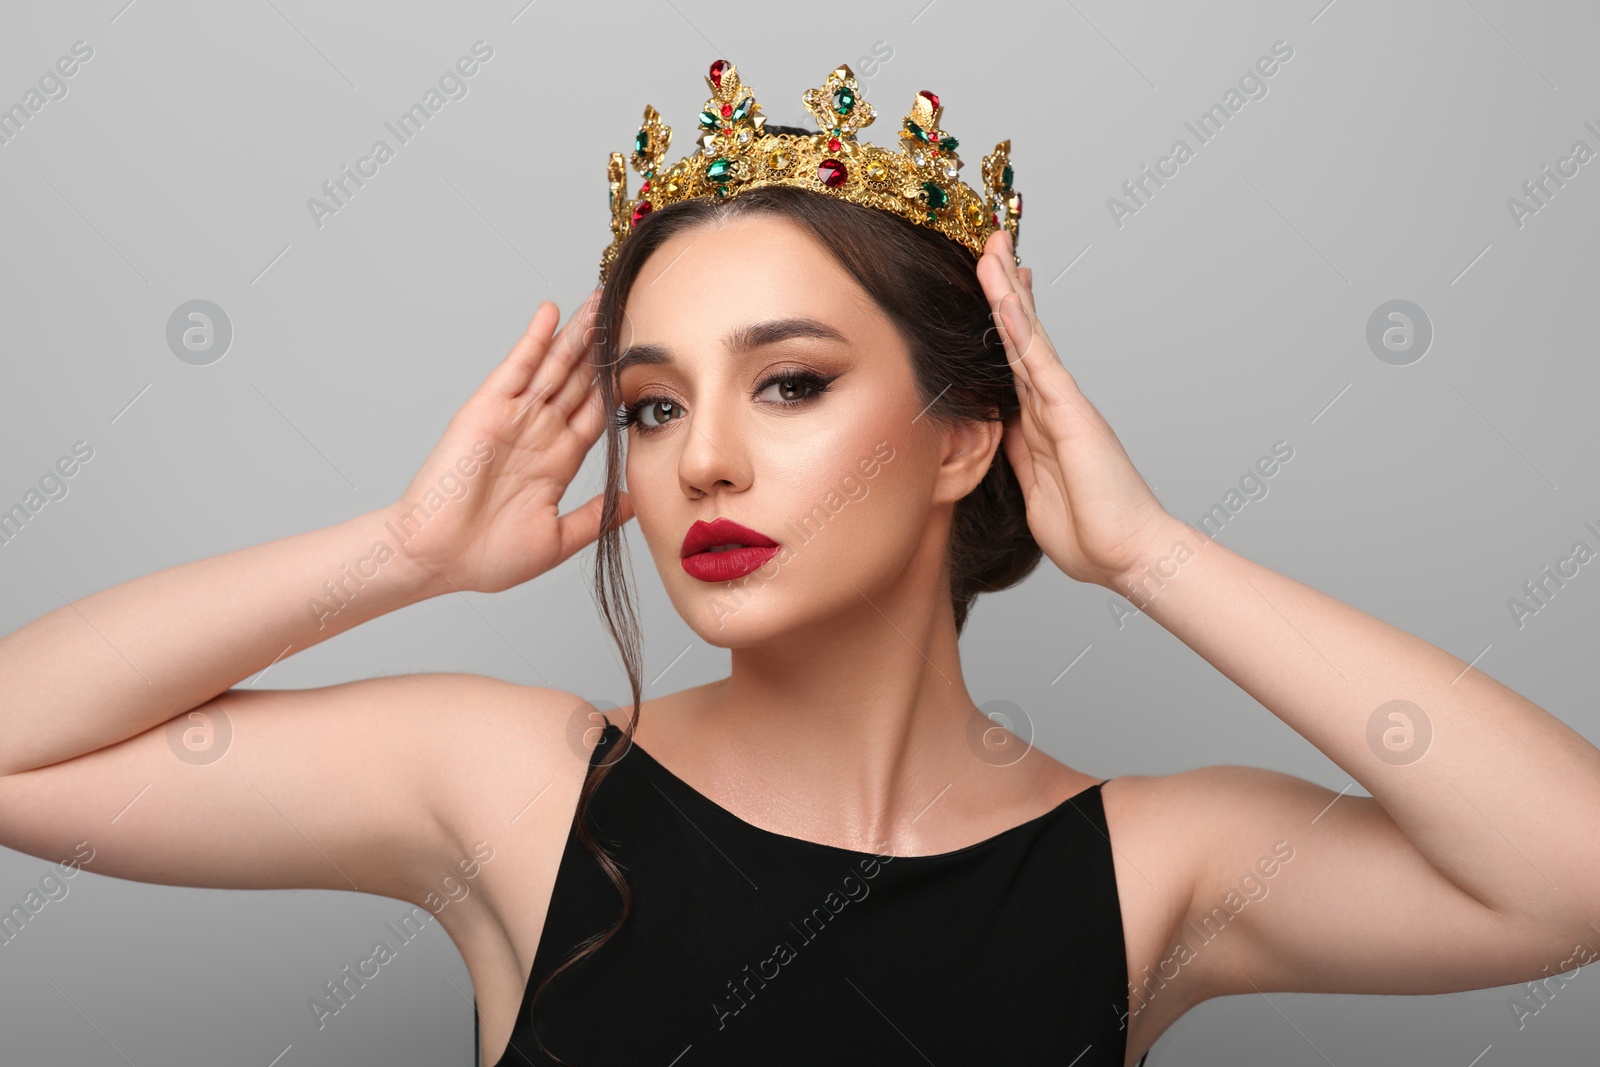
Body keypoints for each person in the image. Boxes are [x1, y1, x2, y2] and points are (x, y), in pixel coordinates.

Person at [3, 58, 1598, 1067]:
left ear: (966, 437)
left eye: (791, 382)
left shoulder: (1146, 872)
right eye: (650, 403)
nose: (700, 455)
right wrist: (400, 554)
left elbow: (1568, 874)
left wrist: (1148, 551)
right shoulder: (516, 789)